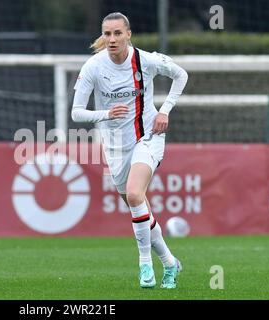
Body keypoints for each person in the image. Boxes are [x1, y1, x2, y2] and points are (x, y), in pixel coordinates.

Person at [71, 12, 188, 289]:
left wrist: (165, 111)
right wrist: (105, 113)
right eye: (107, 34)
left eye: (117, 33)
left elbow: (180, 75)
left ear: (128, 35)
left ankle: (144, 265)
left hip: (148, 136)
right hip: (115, 147)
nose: (111, 39)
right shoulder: (93, 67)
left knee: (136, 194)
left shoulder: (144, 60)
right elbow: (76, 113)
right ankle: (170, 264)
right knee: (139, 208)